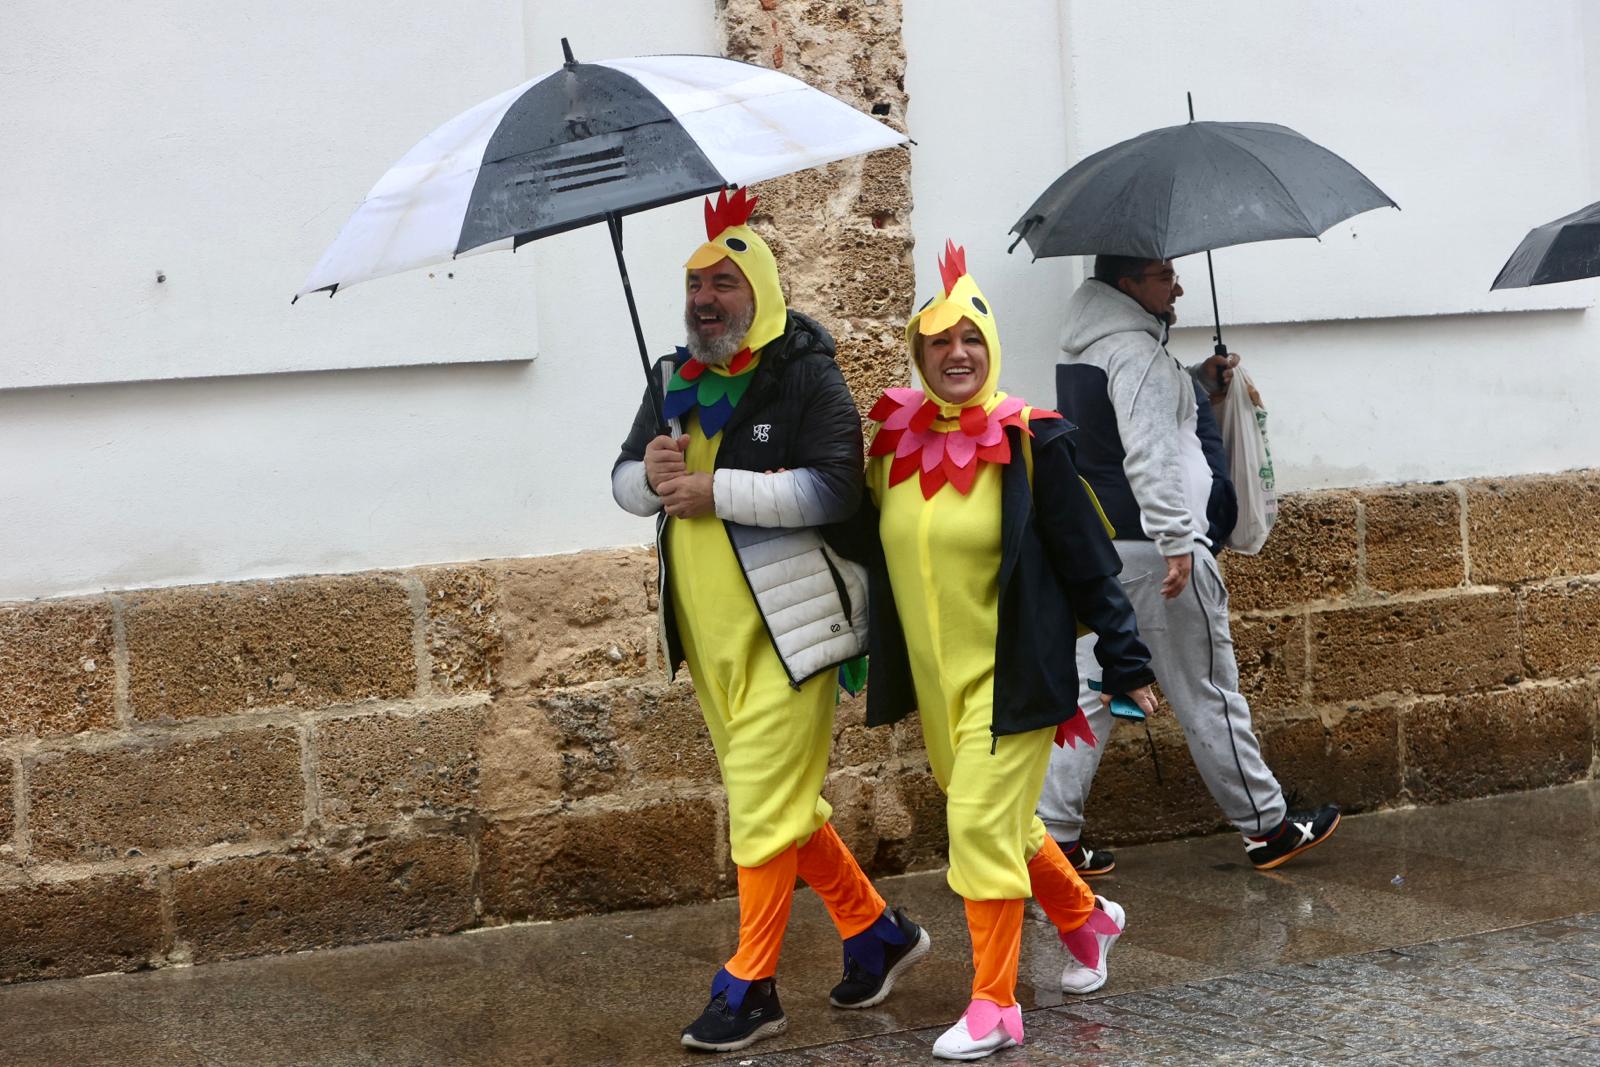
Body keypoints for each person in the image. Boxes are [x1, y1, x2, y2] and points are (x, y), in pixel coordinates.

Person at [612, 189, 929, 1054]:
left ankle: (750, 985)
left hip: (791, 636)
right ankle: (875, 932)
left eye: (724, 282)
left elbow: (835, 485)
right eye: (696, 285)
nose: (706, 299)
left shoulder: (803, 371)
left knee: (758, 806)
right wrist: (651, 469)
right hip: (707, 638)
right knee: (781, 801)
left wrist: (718, 489)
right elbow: (622, 483)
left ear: (761, 291)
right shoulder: (671, 379)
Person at [860, 243, 1157, 1060]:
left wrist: (1128, 663)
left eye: (973, 341)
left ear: (991, 349)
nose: (958, 355)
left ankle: (994, 1006)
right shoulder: (893, 444)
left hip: (1016, 677)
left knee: (977, 826)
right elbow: (870, 551)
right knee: (1009, 821)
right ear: (919, 355)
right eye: (940, 343)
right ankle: (1086, 920)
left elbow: (1089, 557)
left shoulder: (1034, 440)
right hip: (938, 683)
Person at [1039, 254, 1341, 876]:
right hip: (1158, 556)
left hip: (1105, 547)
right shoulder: (1138, 352)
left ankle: (1052, 842)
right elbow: (1147, 452)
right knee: (1206, 690)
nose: (1176, 286)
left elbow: (1113, 427)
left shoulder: (1088, 344)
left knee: (1092, 692)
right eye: (1162, 274)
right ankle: (1269, 827)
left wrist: (1196, 384)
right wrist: (1178, 539)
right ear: (1127, 284)